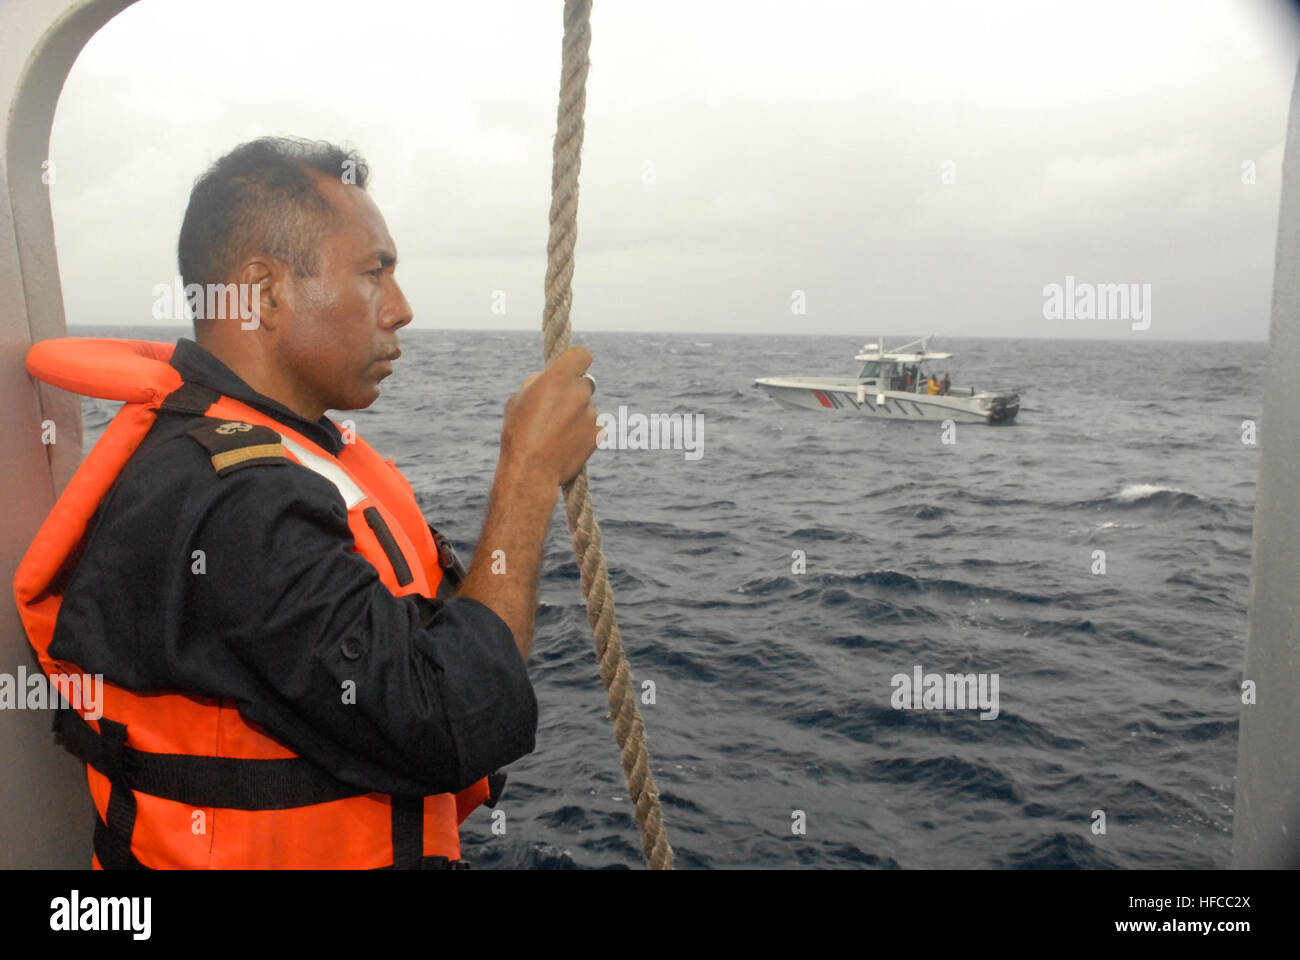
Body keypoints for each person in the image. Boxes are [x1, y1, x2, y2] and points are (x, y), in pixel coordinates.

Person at [13, 137, 600, 869]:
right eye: (373, 273)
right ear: (263, 293)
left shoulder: (263, 454)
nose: (403, 309)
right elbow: (449, 723)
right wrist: (529, 474)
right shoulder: (232, 500)